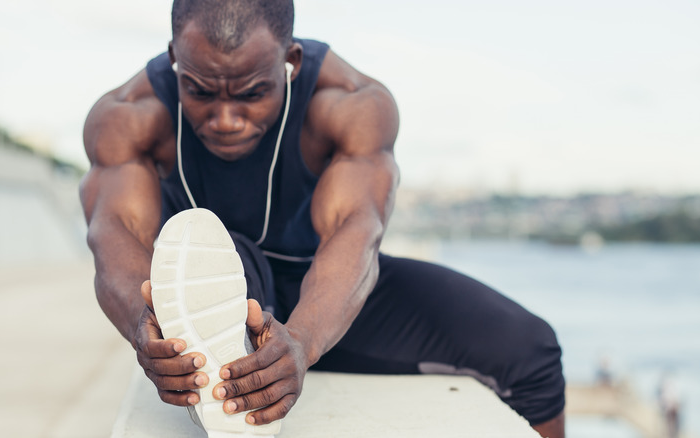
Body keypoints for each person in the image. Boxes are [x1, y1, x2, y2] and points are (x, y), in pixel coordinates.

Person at [80, 0, 566, 436]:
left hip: (324, 286)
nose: (225, 118)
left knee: (530, 348)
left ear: (290, 63)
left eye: (251, 94)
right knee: (224, 261)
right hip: (220, 292)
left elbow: (356, 233)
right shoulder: (127, 116)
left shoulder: (352, 104)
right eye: (201, 91)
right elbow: (114, 237)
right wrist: (143, 325)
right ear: (174, 59)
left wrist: (304, 340)